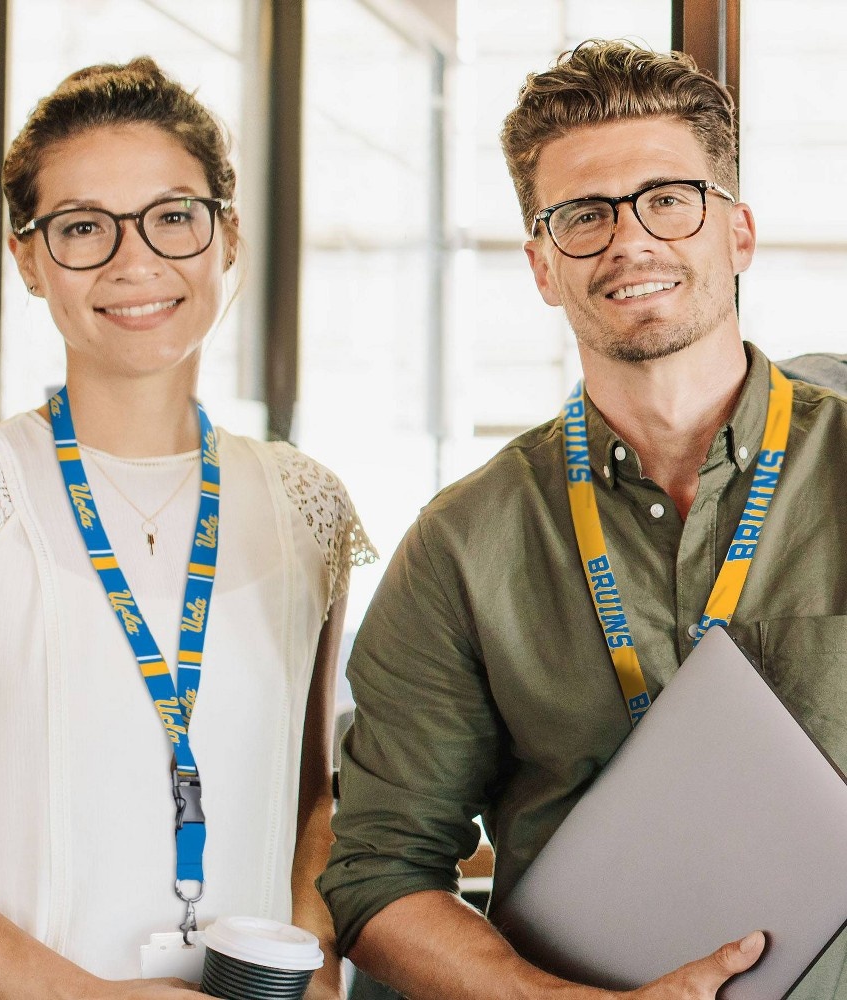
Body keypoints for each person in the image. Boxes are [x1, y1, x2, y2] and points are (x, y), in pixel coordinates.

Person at [319, 39, 847, 1000]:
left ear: (738, 233)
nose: (630, 241)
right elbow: (379, 873)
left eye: (669, 199)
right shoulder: (460, 546)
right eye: (583, 216)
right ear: (539, 264)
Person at [0, 57, 374, 1000]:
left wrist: (312, 960)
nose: (135, 262)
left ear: (226, 238)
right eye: (83, 228)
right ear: (29, 258)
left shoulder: (306, 502)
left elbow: (307, 799)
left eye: (173, 217)